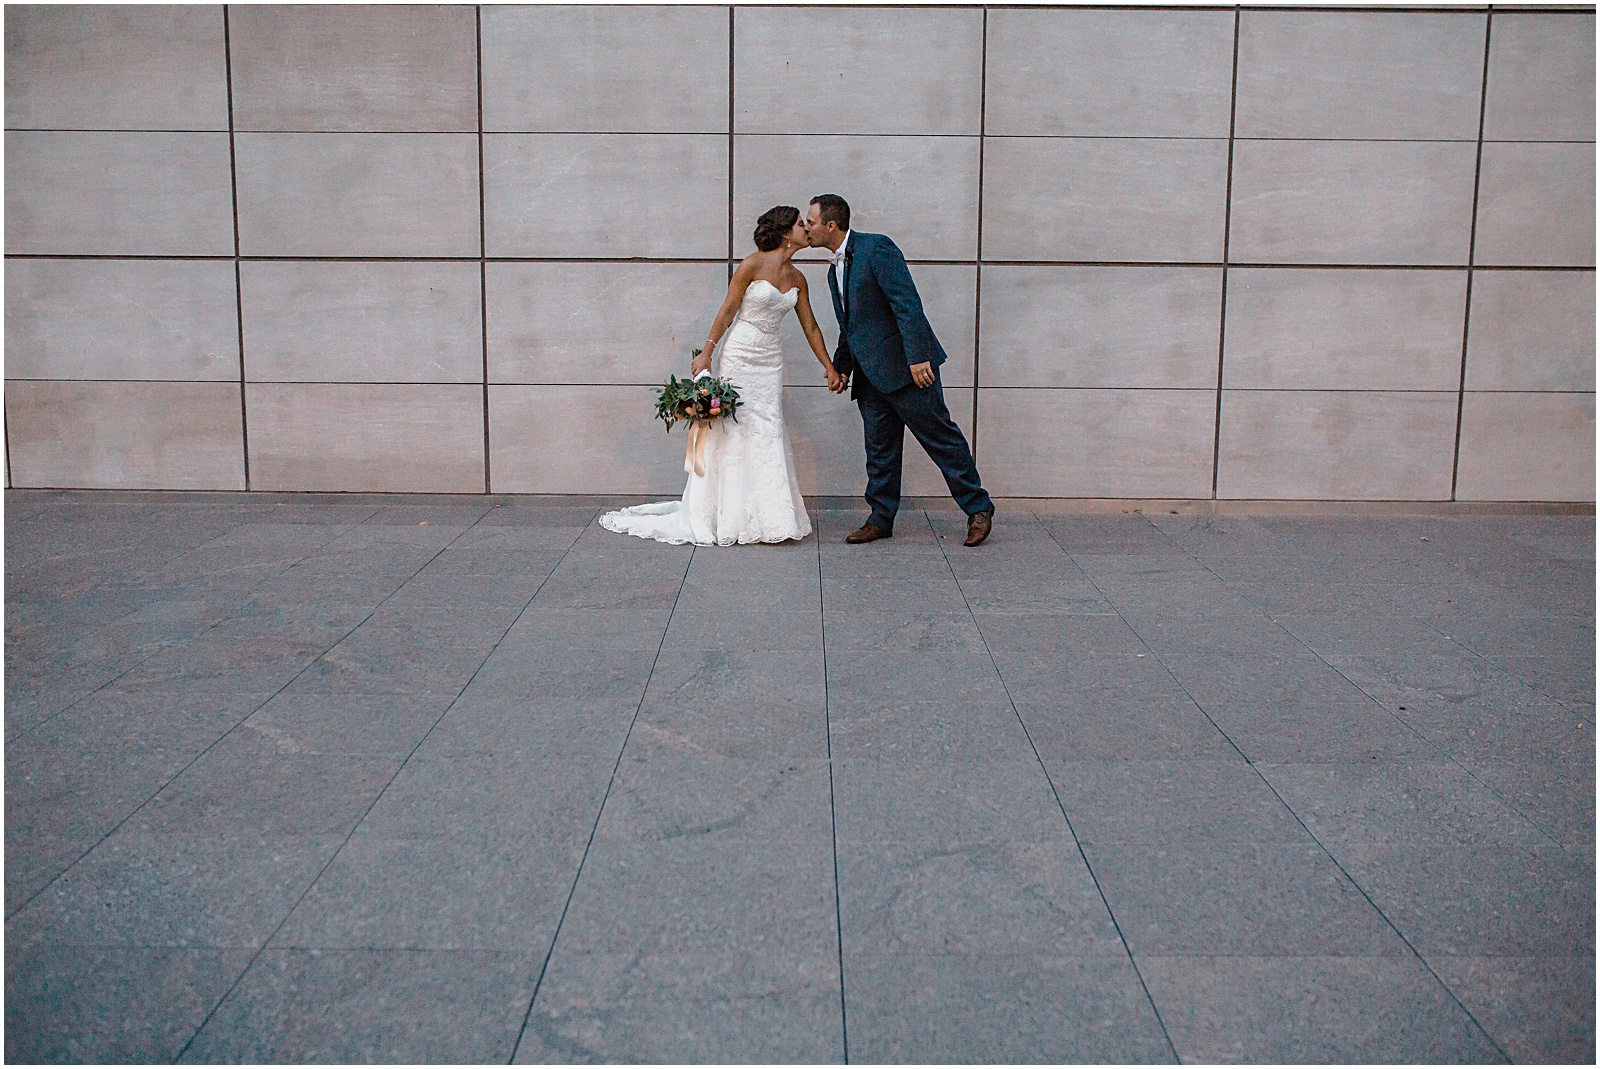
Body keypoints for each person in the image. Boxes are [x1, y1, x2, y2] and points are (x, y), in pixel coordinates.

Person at [599, 206, 845, 546]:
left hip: (770, 363)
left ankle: (770, 517)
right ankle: (726, 515)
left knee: (768, 430)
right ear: (786, 232)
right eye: (801, 224)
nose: (807, 230)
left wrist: (829, 368)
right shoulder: (752, 264)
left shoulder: (799, 279)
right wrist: (706, 352)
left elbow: (811, 327)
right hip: (740, 356)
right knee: (732, 432)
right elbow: (728, 310)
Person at [804, 194, 994, 546]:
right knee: (879, 451)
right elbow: (852, 326)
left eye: (810, 222)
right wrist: (842, 367)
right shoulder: (834, 270)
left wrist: (918, 356)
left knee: (942, 441)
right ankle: (880, 518)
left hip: (908, 371)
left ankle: (979, 509)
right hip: (870, 377)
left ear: (831, 225)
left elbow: (906, 301)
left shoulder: (877, 248)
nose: (806, 228)